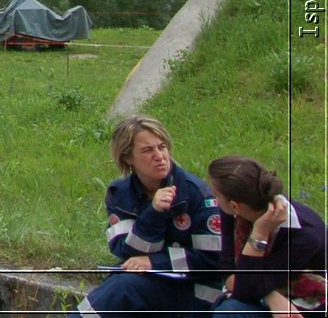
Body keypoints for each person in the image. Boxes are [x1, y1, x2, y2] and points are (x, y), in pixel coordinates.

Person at [73, 115, 225, 316]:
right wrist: (153, 213)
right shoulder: (120, 195)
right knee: (118, 289)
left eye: (162, 147)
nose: (159, 156)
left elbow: (212, 261)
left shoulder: (197, 193)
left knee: (122, 288)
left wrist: (155, 262)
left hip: (196, 288)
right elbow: (127, 251)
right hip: (148, 282)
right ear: (128, 157)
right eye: (147, 150)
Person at [206, 155, 326, 315]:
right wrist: (271, 298)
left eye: (216, 195)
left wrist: (259, 233)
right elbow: (228, 271)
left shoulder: (304, 236)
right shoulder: (233, 213)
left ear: (235, 205)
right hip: (267, 291)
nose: (215, 200)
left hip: (311, 298)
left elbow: (245, 288)